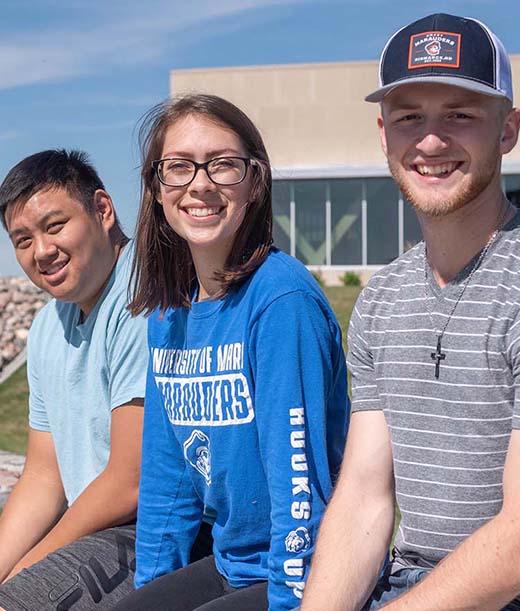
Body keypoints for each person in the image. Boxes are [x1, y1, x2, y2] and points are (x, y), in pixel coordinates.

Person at [301, 13, 520, 610]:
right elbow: (366, 497)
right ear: (383, 134)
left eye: (461, 114)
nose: (430, 140)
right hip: (404, 586)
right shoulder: (382, 297)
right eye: (409, 118)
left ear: (508, 130)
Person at [115, 94, 350, 611]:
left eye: (223, 165)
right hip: (229, 563)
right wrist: (150, 592)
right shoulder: (168, 313)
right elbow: (167, 479)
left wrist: (292, 603)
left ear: (255, 182)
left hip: (302, 572)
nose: (200, 184)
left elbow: (299, 484)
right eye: (177, 168)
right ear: (157, 190)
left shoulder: (281, 300)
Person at [0, 149, 149, 611]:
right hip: (84, 522)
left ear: (102, 210)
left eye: (55, 226)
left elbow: (129, 480)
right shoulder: (46, 324)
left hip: (145, 531)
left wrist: (23, 573)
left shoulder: (143, 296)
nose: (41, 251)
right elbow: (44, 475)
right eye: (22, 240)